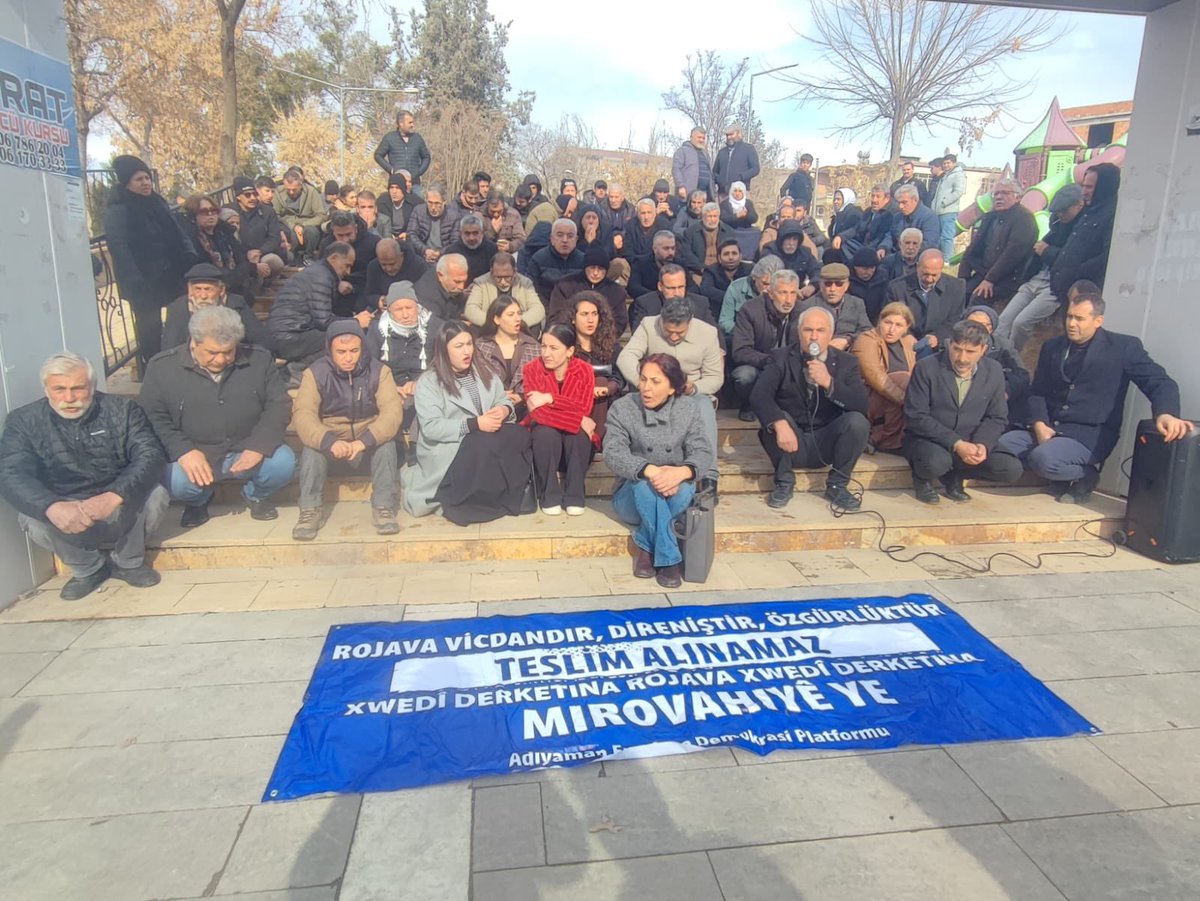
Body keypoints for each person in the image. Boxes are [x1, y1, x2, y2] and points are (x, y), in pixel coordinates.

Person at [0, 352, 169, 599]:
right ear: (46, 388)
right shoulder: (23, 421)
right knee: (31, 516)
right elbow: (10, 474)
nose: (69, 398)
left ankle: (128, 562)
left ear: (92, 385)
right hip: (65, 510)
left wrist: (114, 495)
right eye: (59, 389)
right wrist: (52, 505)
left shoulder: (123, 409)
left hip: (116, 504)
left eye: (78, 388)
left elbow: (150, 455)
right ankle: (88, 569)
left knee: (156, 494)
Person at [995, 292, 1191, 503]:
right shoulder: (1053, 347)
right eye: (1069, 316)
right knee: (1000, 447)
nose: (1071, 323)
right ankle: (1060, 475)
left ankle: (1086, 476)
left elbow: (1159, 381)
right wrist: (1039, 424)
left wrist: (1166, 414)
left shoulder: (1123, 347)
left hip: (1088, 434)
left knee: (1043, 459)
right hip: (1049, 427)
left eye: (1079, 318)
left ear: (1098, 321)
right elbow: (1037, 392)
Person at [141, 306, 294, 527]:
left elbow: (279, 405)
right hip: (195, 455)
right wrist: (183, 451)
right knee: (174, 479)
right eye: (212, 352)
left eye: (228, 351)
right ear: (194, 342)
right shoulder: (162, 367)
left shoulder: (259, 360)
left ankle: (255, 495)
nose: (221, 359)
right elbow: (153, 417)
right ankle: (198, 500)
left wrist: (259, 446)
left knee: (283, 463)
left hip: (245, 448)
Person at [401, 322, 532, 521]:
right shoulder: (429, 382)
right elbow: (431, 427)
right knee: (482, 443)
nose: (466, 351)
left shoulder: (483, 372)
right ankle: (473, 498)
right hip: (452, 445)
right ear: (444, 350)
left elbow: (502, 399)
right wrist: (474, 424)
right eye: (458, 346)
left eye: (469, 344)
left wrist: (503, 410)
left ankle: (511, 493)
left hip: (485, 436)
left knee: (519, 434)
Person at [604, 354, 715, 588]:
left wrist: (682, 472)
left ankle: (646, 543)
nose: (646, 388)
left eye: (656, 382)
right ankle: (669, 559)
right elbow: (613, 453)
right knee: (646, 484)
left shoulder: (688, 409)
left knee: (685, 489)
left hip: (674, 488)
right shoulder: (623, 408)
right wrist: (649, 470)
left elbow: (703, 452)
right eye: (643, 380)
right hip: (631, 496)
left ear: (673, 387)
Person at [749, 306, 870, 510]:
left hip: (826, 441)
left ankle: (837, 485)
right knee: (776, 418)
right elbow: (759, 395)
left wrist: (830, 383)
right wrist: (779, 424)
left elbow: (861, 404)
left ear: (830, 334)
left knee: (857, 422)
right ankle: (784, 482)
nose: (813, 337)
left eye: (820, 331)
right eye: (808, 330)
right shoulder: (780, 357)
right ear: (799, 332)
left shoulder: (846, 362)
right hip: (790, 439)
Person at [291, 320, 402, 539]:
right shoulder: (315, 373)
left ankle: (383, 507)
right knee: (311, 450)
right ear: (330, 351)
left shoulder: (380, 371)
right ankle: (310, 510)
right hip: (332, 445)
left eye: (354, 350)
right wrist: (330, 442)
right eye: (341, 352)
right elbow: (303, 414)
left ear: (362, 348)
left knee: (387, 444)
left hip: (366, 444)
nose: (348, 357)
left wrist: (364, 441)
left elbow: (392, 412)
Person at [903, 320, 1023, 504]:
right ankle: (922, 479)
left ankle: (955, 475)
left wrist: (982, 445)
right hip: (932, 439)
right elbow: (916, 416)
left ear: (983, 349)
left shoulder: (994, 371)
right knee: (936, 463)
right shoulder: (927, 367)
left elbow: (997, 416)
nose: (962, 358)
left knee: (1010, 468)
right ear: (949, 344)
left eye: (970, 352)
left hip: (971, 438)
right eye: (957, 349)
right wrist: (956, 443)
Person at [103, 155, 198, 368]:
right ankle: (153, 368)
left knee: (181, 315)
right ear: (127, 182)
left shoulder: (157, 201)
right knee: (149, 328)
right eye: (139, 179)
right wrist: (134, 277)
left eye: (147, 178)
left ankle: (182, 359)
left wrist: (189, 255)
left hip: (170, 272)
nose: (146, 183)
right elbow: (118, 245)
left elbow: (177, 231)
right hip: (142, 278)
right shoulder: (119, 208)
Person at [996, 184, 1085, 350]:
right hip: (1035, 279)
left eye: (1064, 210)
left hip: (1055, 287)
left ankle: (1011, 361)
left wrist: (1047, 251)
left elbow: (1072, 260)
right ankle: (995, 360)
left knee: (1021, 323)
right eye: (1057, 210)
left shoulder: (1084, 228)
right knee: (1003, 322)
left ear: (1078, 205)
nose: (1059, 214)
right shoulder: (1057, 222)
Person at [522, 322, 596, 516]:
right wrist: (577, 419)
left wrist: (550, 398)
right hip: (545, 438)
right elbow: (538, 414)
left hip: (573, 443)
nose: (546, 353)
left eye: (553, 348)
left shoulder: (584, 370)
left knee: (578, 436)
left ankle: (575, 496)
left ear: (570, 350)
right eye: (543, 346)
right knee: (545, 433)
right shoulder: (532, 369)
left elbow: (584, 407)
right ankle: (549, 495)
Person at [268, 243, 372, 371]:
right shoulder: (322, 277)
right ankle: (294, 371)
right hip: (289, 337)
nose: (348, 272)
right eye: (347, 265)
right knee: (341, 339)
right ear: (334, 258)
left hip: (288, 332)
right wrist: (355, 322)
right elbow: (324, 321)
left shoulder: (319, 272)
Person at [365, 281, 443, 434]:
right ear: (389, 311)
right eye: (399, 309)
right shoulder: (377, 329)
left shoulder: (435, 327)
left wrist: (420, 382)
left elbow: (441, 363)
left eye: (409, 308)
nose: (405, 314)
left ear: (417, 307)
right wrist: (389, 388)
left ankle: (416, 450)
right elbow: (370, 365)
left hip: (427, 386)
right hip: (389, 387)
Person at [1047, 163, 1122, 315]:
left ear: (1103, 188)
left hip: (1086, 296)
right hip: (1066, 292)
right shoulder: (1088, 213)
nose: (1084, 192)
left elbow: (1107, 258)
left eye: (1089, 187)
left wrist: (1075, 274)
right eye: (1083, 186)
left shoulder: (1113, 216)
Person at [732, 269, 803, 421]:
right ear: (770, 293)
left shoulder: (803, 312)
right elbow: (740, 351)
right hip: (760, 365)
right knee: (744, 376)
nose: (788, 300)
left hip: (790, 367)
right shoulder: (750, 310)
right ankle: (748, 405)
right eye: (783, 293)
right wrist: (770, 361)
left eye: (793, 293)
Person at [958, 178, 1038, 305]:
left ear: (1018, 197)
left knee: (977, 299)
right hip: (984, 273)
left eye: (1005, 193)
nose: (999, 197)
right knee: (957, 296)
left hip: (1009, 278)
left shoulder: (1024, 218)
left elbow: (1013, 254)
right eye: (996, 193)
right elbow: (973, 247)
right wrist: (962, 277)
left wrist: (990, 280)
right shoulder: (991, 216)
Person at [162, 262, 271, 352]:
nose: (203, 296)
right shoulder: (177, 309)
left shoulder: (236, 304)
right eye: (198, 289)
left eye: (208, 289)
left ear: (221, 290)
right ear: (190, 290)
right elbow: (169, 349)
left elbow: (261, 340)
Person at [853, 302, 917, 453]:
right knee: (903, 379)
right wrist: (907, 400)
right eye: (887, 322)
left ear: (906, 328)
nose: (892, 329)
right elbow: (874, 376)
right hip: (872, 395)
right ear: (879, 321)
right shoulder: (866, 340)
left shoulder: (910, 342)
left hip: (905, 396)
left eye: (898, 325)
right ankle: (887, 441)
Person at [885, 249, 967, 358]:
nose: (929, 279)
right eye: (925, 274)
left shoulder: (956, 287)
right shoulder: (897, 288)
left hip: (940, 345)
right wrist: (906, 334)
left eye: (934, 275)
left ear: (942, 269)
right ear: (917, 267)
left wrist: (937, 336)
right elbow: (889, 317)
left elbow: (956, 319)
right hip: (903, 343)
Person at [568, 291, 624, 443]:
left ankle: (599, 440)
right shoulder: (566, 346)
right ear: (573, 318)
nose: (590, 320)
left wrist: (608, 388)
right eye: (584, 314)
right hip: (574, 399)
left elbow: (620, 377)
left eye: (594, 314)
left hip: (606, 399)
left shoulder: (611, 346)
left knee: (600, 382)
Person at [963, 305, 1031, 427]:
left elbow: (1022, 376)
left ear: (991, 328)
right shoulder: (952, 345)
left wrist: (1005, 390)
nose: (977, 329)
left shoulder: (1004, 346)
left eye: (984, 325)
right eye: (972, 324)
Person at [548, 245, 629, 336]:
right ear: (585, 267)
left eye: (600, 269)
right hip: (570, 338)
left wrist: (599, 337)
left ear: (606, 270)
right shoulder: (565, 285)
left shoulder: (616, 292)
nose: (595, 273)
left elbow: (619, 322)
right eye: (592, 268)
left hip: (603, 340)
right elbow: (556, 316)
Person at [475, 296, 540, 404]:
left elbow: (541, 383)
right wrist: (497, 395)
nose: (517, 318)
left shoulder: (533, 347)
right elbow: (475, 382)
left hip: (526, 408)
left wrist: (522, 397)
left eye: (519, 313)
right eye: (511, 315)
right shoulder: (480, 347)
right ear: (496, 319)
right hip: (490, 406)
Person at [798, 262, 872, 351]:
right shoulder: (806, 306)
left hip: (850, 353)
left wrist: (848, 340)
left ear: (846, 286)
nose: (832, 289)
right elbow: (799, 337)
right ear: (821, 285)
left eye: (839, 284)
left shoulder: (857, 303)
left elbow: (868, 331)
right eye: (828, 284)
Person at [318, 211, 380, 314]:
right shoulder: (327, 244)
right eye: (340, 235)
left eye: (348, 234)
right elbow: (322, 271)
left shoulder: (372, 243)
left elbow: (377, 274)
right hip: (336, 288)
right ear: (333, 232)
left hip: (364, 287)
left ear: (355, 228)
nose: (345, 239)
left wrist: (354, 287)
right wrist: (337, 283)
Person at [464, 252, 545, 331]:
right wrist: (498, 322)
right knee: (474, 328)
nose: (503, 282)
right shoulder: (481, 283)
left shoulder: (525, 283)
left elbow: (538, 309)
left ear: (515, 272)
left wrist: (514, 322)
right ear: (491, 272)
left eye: (507, 277)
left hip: (518, 328)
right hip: (491, 329)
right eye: (498, 277)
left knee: (535, 326)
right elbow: (470, 310)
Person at [227, 176, 285, 283]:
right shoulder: (229, 212)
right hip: (238, 255)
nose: (252, 198)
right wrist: (246, 254)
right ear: (238, 197)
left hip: (263, 254)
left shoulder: (268, 211)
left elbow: (275, 238)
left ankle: (266, 285)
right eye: (247, 195)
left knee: (274, 261)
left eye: (255, 194)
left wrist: (260, 251)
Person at [629, 263, 714, 334]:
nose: (677, 293)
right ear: (660, 286)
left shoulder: (701, 303)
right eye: (671, 288)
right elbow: (638, 336)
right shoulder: (645, 304)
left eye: (681, 287)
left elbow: (715, 333)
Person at [719, 255, 781, 338]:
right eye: (765, 283)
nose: (769, 288)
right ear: (754, 277)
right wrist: (745, 331)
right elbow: (724, 321)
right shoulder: (735, 288)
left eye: (773, 284)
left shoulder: (783, 290)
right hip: (742, 337)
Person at [273, 167, 327, 261]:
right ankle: (290, 258)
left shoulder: (311, 192)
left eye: (294, 189)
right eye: (288, 189)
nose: (291, 192)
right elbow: (275, 215)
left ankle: (308, 257)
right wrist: (293, 226)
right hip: (287, 224)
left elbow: (321, 215)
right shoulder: (278, 192)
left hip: (307, 223)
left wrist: (302, 225)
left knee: (312, 232)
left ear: (301, 185)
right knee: (287, 233)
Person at [526, 218, 585, 303]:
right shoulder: (539, 259)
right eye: (560, 235)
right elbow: (531, 290)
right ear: (552, 239)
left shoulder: (583, 260)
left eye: (570, 236)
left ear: (576, 240)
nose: (565, 240)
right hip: (545, 308)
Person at [363, 238, 428, 312]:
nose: (388, 269)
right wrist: (378, 300)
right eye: (383, 264)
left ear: (401, 256)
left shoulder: (418, 265)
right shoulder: (373, 266)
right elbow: (369, 294)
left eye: (392, 264)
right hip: (384, 310)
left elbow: (427, 295)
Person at [700, 238, 752, 323]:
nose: (730, 257)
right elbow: (706, 289)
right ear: (719, 258)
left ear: (740, 257)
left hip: (744, 312)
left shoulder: (750, 270)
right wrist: (730, 298)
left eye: (734, 253)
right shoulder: (711, 271)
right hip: (717, 313)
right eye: (726, 254)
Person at [373, 109, 431, 185]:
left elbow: (426, 157)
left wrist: (418, 172)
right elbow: (378, 155)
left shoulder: (417, 138)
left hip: (414, 183)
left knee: (417, 197)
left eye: (412, 122)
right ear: (401, 123)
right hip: (396, 183)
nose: (412, 125)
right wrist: (391, 170)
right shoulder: (390, 138)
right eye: (410, 123)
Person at [759, 220, 822, 290]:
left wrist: (812, 286)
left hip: (798, 291)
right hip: (774, 291)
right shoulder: (769, 251)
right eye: (788, 239)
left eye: (795, 239)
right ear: (781, 239)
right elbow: (765, 277)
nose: (791, 243)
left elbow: (817, 271)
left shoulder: (805, 252)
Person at [833, 185, 893, 258]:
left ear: (886, 199)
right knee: (842, 243)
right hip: (861, 246)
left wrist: (865, 250)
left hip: (876, 249)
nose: (874, 200)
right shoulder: (868, 212)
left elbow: (881, 237)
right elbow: (856, 229)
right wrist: (840, 236)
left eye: (878, 197)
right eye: (873, 196)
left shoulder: (890, 214)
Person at [408, 185, 462, 264]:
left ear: (444, 202)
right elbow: (411, 234)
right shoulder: (418, 211)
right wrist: (424, 250)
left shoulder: (454, 216)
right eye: (430, 203)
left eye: (437, 203)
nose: (433, 207)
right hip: (421, 256)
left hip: (444, 258)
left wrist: (439, 253)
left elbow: (455, 242)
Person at [882, 184, 939, 257]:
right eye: (899, 203)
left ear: (915, 200)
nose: (900, 207)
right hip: (897, 256)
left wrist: (906, 251)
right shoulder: (897, 217)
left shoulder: (929, 217)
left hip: (919, 258)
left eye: (904, 202)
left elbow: (930, 243)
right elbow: (890, 235)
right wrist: (883, 247)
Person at [412, 252, 470, 323]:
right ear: (440, 276)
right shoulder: (427, 296)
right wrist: (461, 324)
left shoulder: (447, 280)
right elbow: (435, 326)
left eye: (464, 281)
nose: (462, 287)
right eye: (457, 282)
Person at [930, 153, 966, 259]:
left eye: (948, 163)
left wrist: (944, 202)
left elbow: (959, 192)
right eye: (944, 163)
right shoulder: (946, 175)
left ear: (954, 163)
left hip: (948, 211)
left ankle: (947, 260)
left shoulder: (958, 174)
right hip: (938, 211)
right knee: (939, 236)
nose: (946, 165)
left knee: (947, 236)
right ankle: (939, 257)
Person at [444, 213, 498, 283]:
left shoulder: (492, 249)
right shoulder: (451, 252)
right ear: (461, 233)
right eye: (467, 233)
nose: (471, 238)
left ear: (482, 232)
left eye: (475, 233)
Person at [713, 123, 761, 195]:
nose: (729, 137)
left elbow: (755, 169)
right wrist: (719, 179)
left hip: (741, 192)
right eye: (727, 135)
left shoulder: (748, 149)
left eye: (731, 134)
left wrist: (741, 176)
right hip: (722, 193)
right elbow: (714, 172)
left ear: (739, 134)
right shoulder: (722, 152)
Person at [849, 246, 890, 323]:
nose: (868, 272)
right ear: (855, 267)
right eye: (865, 269)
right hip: (852, 320)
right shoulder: (846, 279)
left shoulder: (883, 278)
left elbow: (885, 303)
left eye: (872, 268)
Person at [672, 126, 713, 198]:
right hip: (687, 194)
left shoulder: (705, 154)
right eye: (699, 137)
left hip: (704, 194)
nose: (701, 140)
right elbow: (676, 169)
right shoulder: (682, 151)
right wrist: (680, 186)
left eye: (703, 138)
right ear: (691, 137)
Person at [377, 174, 416, 239]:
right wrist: (388, 235)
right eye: (391, 188)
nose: (394, 192)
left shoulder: (414, 202)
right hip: (386, 238)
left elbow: (418, 226)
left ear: (403, 189)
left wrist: (407, 234)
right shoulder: (381, 202)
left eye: (397, 188)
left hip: (407, 238)